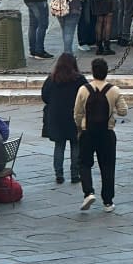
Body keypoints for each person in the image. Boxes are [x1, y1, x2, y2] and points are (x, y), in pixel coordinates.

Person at [74, 57, 128, 212]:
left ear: (92, 72)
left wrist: (79, 127)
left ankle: (88, 192)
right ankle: (108, 201)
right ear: (106, 72)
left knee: (84, 163)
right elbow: (124, 111)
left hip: (87, 132)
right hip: (107, 133)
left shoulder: (84, 90)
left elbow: (77, 113)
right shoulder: (114, 90)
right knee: (108, 166)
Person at [41, 53, 87, 184]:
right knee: (76, 145)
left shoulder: (52, 79)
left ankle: (59, 174)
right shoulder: (79, 80)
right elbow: (86, 96)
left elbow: (45, 97)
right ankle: (75, 174)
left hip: (56, 117)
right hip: (74, 115)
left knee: (59, 145)